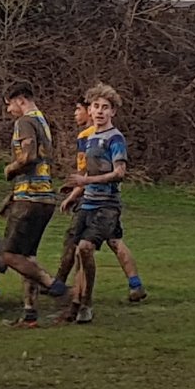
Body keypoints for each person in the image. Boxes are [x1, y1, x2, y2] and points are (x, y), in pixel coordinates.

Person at [55, 95, 147, 304]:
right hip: (89, 201)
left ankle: (72, 293)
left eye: (105, 108)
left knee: (83, 248)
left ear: (112, 112)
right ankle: (135, 285)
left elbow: (119, 172)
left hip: (106, 205)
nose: (99, 111)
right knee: (113, 242)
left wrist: (84, 181)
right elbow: (87, 171)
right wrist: (75, 192)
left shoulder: (115, 139)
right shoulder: (90, 137)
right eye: (96, 106)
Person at [0, 81, 68, 328]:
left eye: (10, 104)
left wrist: (10, 169)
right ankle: (30, 313)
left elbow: (28, 157)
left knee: (9, 255)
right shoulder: (43, 122)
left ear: (21, 100)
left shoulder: (25, 122)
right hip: (46, 197)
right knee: (27, 256)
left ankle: (54, 285)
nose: (9, 111)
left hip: (30, 197)